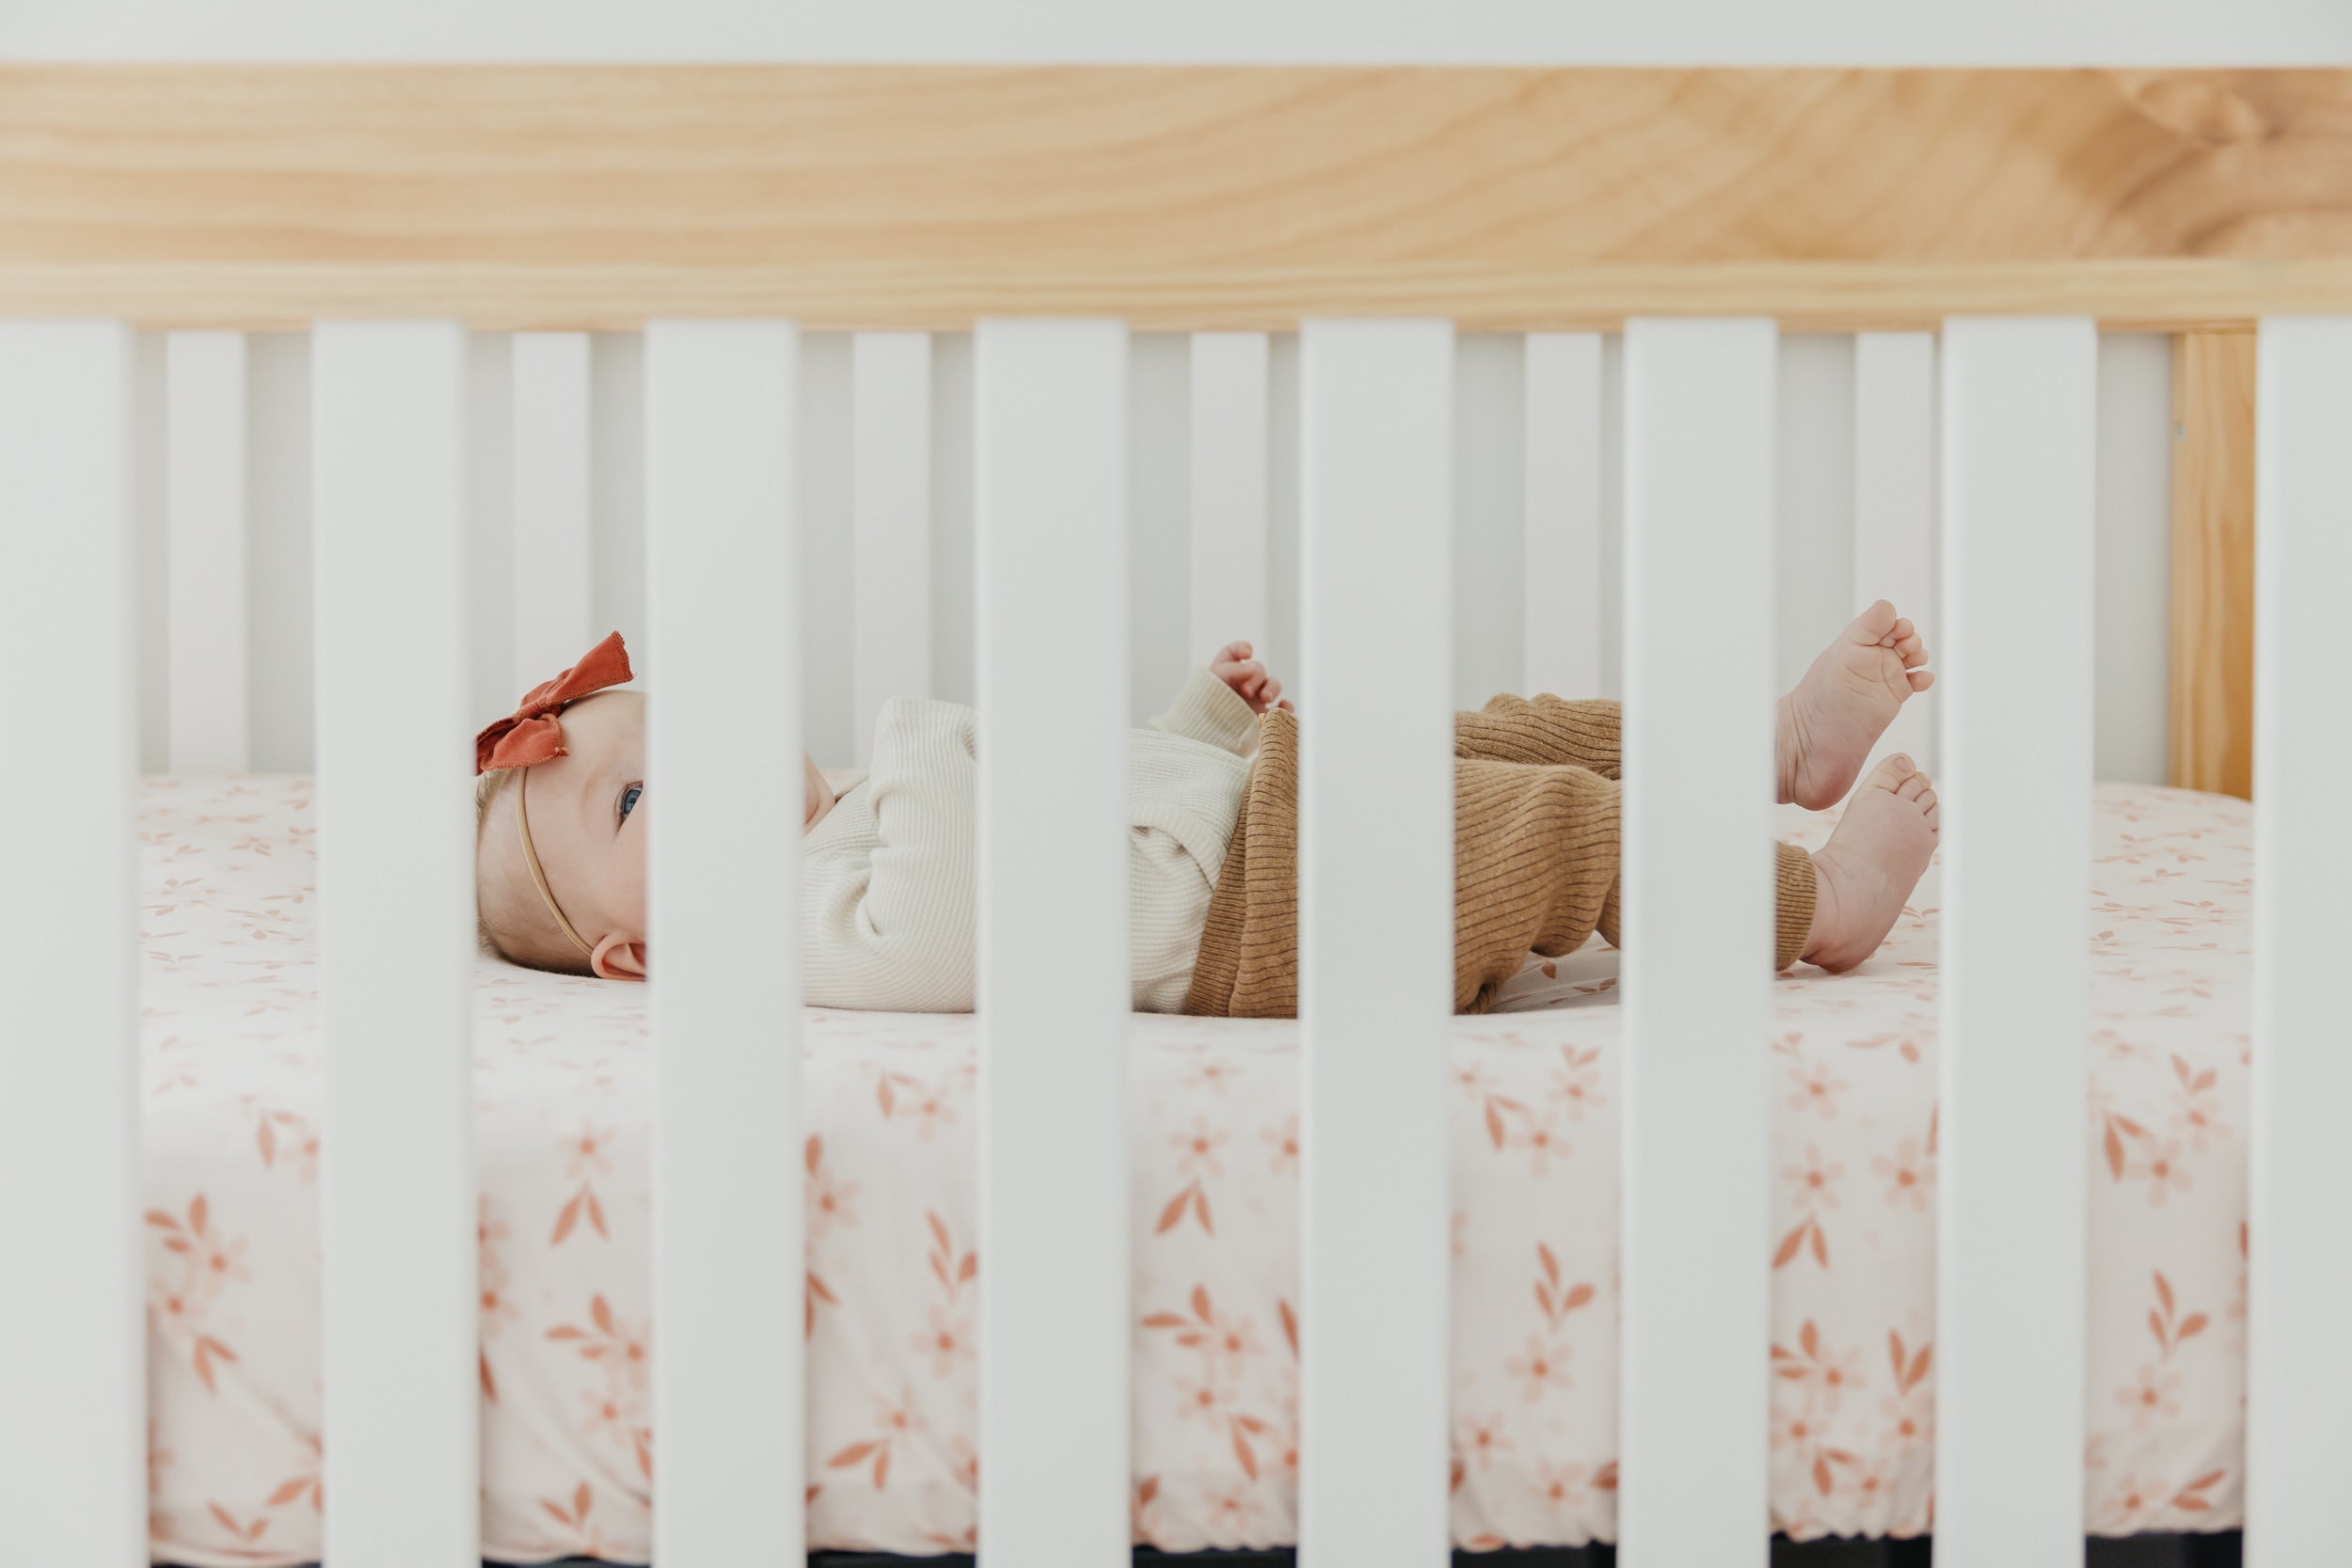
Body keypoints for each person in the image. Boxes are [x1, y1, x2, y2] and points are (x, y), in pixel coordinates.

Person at [473, 603, 1936, 1015]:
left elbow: (1100, 819)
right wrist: (921, 735)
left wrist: (1196, 726)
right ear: (640, 954)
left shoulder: (860, 804)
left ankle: (1764, 747)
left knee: (1506, 739)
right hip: (1267, 921)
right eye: (639, 798)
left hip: (1259, 817)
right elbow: (947, 927)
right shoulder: (807, 925)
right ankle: (1821, 907)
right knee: (1549, 825)